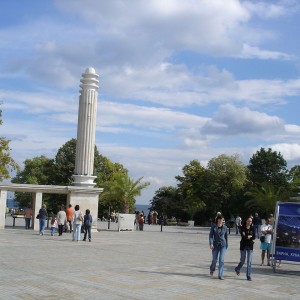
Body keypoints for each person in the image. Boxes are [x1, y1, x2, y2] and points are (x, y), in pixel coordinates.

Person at [209, 214, 228, 280]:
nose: (220, 221)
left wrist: (226, 246)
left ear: (223, 220)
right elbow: (211, 236)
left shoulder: (225, 227)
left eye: (221, 220)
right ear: (217, 220)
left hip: (223, 245)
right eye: (219, 219)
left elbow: (226, 237)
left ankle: (220, 275)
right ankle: (212, 269)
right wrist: (211, 243)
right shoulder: (213, 227)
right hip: (215, 245)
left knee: (221, 260)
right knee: (214, 260)